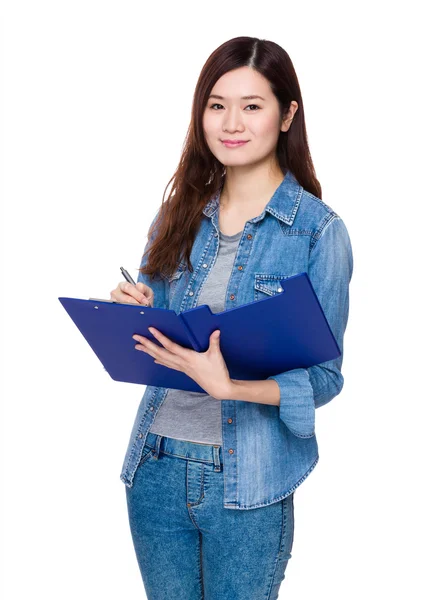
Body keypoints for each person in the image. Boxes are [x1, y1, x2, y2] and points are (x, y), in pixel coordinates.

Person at [111, 36, 353, 600]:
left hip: (248, 482)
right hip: (156, 465)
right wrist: (136, 312)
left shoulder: (318, 233)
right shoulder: (178, 215)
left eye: (252, 105)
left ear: (287, 114)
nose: (230, 123)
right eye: (217, 105)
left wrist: (232, 386)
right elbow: (159, 341)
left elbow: (324, 378)